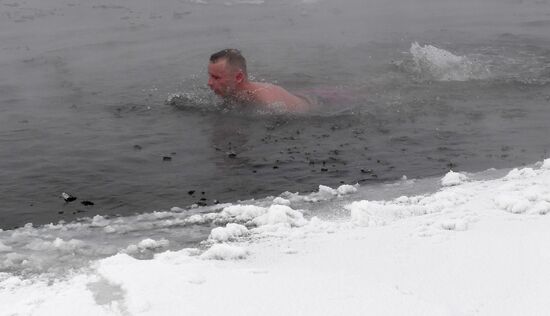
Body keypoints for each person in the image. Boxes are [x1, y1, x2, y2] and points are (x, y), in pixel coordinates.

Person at [207, 49, 312, 112]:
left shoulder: (268, 103)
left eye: (216, 78)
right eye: (210, 76)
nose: (209, 83)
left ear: (238, 77)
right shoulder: (231, 92)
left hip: (312, 101)